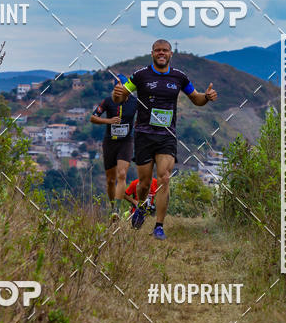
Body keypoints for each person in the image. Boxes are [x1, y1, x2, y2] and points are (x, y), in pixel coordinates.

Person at [112, 39, 217, 239]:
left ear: (170, 54)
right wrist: (117, 94)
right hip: (144, 134)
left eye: (165, 51)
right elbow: (122, 96)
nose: (161, 53)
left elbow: (196, 99)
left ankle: (159, 226)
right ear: (152, 53)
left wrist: (207, 96)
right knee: (143, 184)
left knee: (164, 178)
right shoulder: (140, 75)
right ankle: (141, 208)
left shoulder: (179, 77)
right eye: (158, 50)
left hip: (167, 136)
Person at [91, 79, 138, 218]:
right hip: (110, 143)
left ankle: (117, 209)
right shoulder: (107, 101)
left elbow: (145, 114)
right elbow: (93, 118)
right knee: (110, 180)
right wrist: (109, 121)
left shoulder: (135, 102)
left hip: (126, 142)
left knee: (122, 174)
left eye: (121, 88)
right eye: (115, 88)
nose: (118, 91)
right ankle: (113, 209)